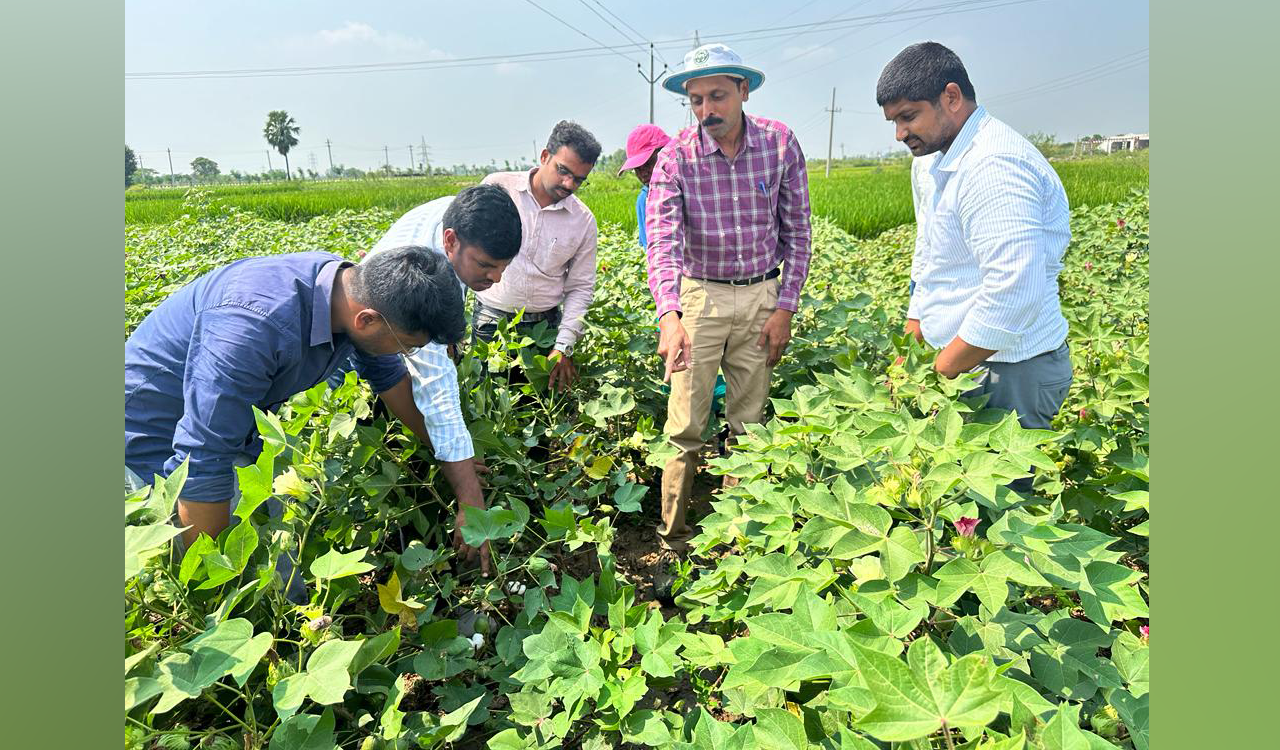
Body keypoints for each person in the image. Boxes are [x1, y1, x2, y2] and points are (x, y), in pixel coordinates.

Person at [125, 249, 494, 604]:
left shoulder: (347, 290)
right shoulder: (251, 327)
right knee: (227, 584)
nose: (405, 354)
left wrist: (451, 458)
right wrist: (221, 591)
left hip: (228, 432)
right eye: (408, 346)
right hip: (149, 437)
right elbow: (201, 462)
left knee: (279, 579)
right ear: (366, 320)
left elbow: (391, 381)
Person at [645, 43, 812, 585]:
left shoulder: (780, 144)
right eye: (695, 100)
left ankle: (740, 542)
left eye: (717, 95)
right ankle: (673, 544)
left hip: (762, 296)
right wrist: (669, 316)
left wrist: (785, 306)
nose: (705, 109)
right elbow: (664, 245)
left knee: (749, 427)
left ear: (744, 91)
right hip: (700, 299)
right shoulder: (675, 160)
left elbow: (798, 233)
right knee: (686, 426)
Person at [876, 41, 1073, 492]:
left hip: (1010, 371)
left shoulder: (993, 165)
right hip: (961, 361)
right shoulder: (932, 158)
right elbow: (930, 249)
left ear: (951, 97)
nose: (900, 133)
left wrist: (940, 372)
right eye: (894, 122)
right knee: (958, 504)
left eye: (908, 116)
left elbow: (1013, 293)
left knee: (998, 518)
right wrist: (915, 331)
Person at [336, 184, 524, 522]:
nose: (496, 278)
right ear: (450, 241)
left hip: (380, 336)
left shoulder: (462, 220)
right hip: (356, 339)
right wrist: (470, 498)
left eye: (504, 267)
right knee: (363, 409)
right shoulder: (421, 280)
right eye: (486, 265)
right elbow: (437, 387)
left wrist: (455, 454)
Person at [478, 120, 602, 392]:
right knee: (485, 408)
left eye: (579, 179)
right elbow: (461, 251)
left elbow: (580, 287)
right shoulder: (498, 188)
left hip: (545, 331)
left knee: (537, 410)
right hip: (490, 321)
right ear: (545, 156)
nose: (569, 183)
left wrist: (564, 345)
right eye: (563, 171)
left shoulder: (582, 221)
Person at [617, 123, 670, 250]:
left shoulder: (691, 184)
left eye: (648, 164)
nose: (643, 173)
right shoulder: (644, 200)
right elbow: (650, 249)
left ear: (667, 153)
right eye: (637, 169)